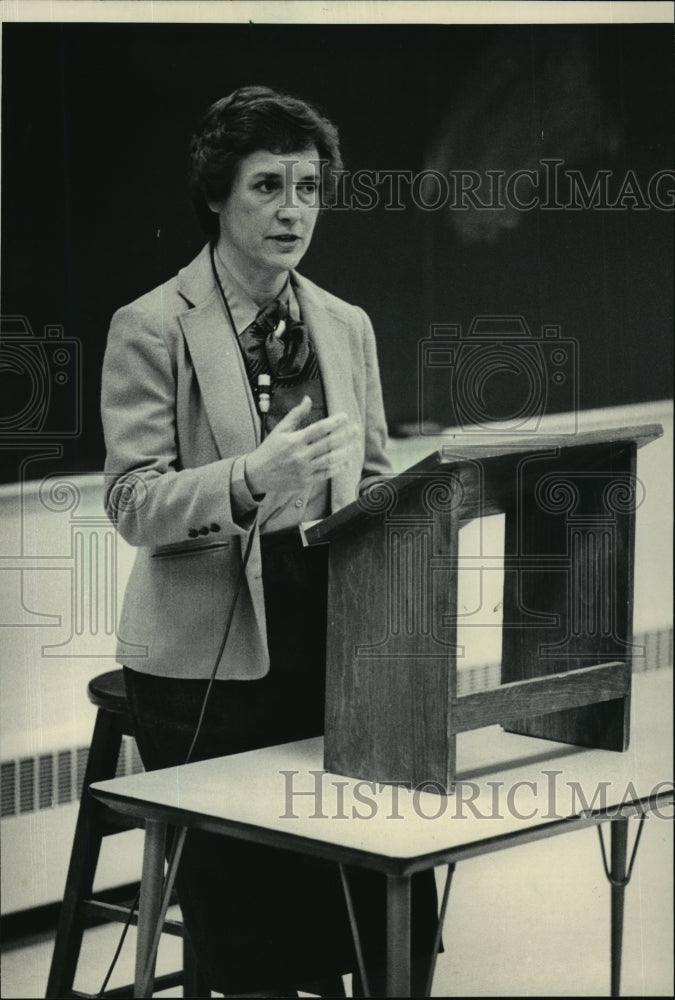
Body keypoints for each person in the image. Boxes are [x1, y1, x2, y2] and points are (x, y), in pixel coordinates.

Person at [101, 85, 438, 997]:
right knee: (251, 924)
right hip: (203, 663)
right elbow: (132, 503)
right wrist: (250, 482)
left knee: (378, 876)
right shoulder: (151, 325)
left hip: (329, 633)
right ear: (217, 194)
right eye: (266, 187)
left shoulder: (345, 324)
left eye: (309, 187)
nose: (293, 210)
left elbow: (368, 479)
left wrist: (415, 502)